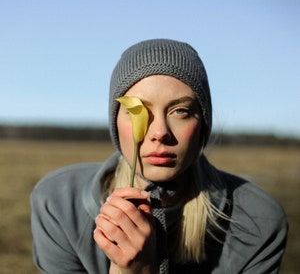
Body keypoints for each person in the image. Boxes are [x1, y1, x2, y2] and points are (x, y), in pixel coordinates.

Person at [31, 39, 288, 274]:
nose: (159, 133)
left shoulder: (258, 220)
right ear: (115, 121)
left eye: (180, 111)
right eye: (138, 111)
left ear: (203, 123)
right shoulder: (58, 203)